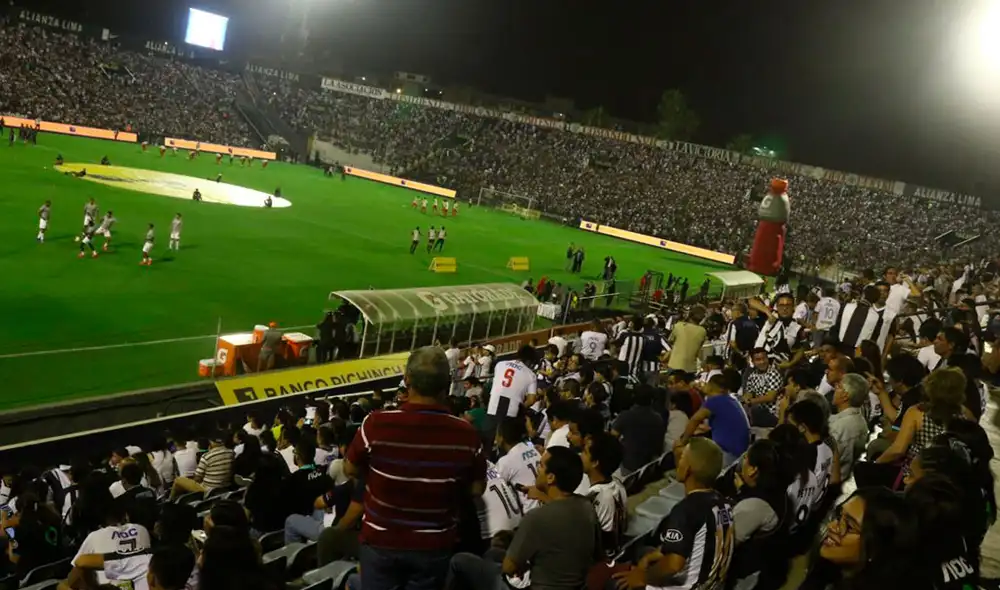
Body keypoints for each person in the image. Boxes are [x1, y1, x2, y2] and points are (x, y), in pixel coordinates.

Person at [345, 346, 486, 590]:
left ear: (407, 379)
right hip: (434, 546)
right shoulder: (467, 434)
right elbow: (476, 488)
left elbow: (350, 469)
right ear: (447, 383)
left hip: (381, 542)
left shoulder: (376, 423)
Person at [445, 447, 600, 590]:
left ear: (551, 478)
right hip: (575, 585)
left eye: (540, 466)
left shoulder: (537, 517)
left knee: (459, 561)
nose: (537, 470)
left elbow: (509, 567)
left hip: (534, 586)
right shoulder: (587, 507)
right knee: (492, 554)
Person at [612, 438, 734, 590]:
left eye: (682, 457)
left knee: (615, 583)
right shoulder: (724, 504)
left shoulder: (686, 509)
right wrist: (657, 554)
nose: (678, 461)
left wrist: (643, 577)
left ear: (688, 468)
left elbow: (673, 565)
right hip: (714, 585)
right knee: (644, 553)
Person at [875, 367, 970, 485]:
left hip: (915, 475)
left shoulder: (917, 412)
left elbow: (897, 450)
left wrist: (875, 464)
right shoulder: (965, 414)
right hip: (948, 478)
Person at [677, 371, 750, 467]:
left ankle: (681, 478)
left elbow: (695, 420)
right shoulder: (732, 400)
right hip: (740, 456)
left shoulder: (714, 401)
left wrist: (683, 440)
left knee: (680, 449)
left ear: (711, 386)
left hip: (726, 456)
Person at [582, 432, 627, 561]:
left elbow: (603, 540)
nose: (580, 456)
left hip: (601, 561)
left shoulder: (597, 497)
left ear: (595, 462)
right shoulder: (618, 484)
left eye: (585, 453)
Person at [283, 437, 335, 544]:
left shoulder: (292, 480)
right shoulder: (323, 472)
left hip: (314, 524)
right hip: (326, 520)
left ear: (297, 456)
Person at [485, 345, 537, 441]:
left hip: (493, 404)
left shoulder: (500, 364)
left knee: (490, 439)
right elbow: (531, 399)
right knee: (506, 440)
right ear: (530, 361)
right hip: (512, 409)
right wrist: (522, 408)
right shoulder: (531, 374)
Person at [610, 385, 665, 475]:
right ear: (652, 400)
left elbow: (612, 437)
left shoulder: (625, 416)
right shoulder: (658, 418)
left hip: (628, 463)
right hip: (650, 464)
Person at [828, 373, 871, 481]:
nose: (835, 388)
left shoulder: (837, 427)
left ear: (845, 395)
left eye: (838, 386)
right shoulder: (862, 421)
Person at [170, 430, 234, 499]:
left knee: (178, 480)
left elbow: (197, 478)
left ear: (211, 442)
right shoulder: (231, 452)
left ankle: (169, 502)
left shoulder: (207, 456)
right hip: (224, 487)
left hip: (207, 490)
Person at [494, 418, 541, 512]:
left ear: (502, 437)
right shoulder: (533, 449)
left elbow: (494, 489)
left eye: (497, 434)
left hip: (530, 513)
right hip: (544, 504)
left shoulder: (505, 461)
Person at [742, 348, 784, 427]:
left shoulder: (773, 373)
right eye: (758, 360)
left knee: (753, 413)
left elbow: (770, 397)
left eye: (764, 358)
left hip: (774, 413)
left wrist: (751, 401)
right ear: (753, 362)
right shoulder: (752, 376)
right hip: (761, 411)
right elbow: (749, 392)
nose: (762, 362)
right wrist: (746, 399)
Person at [667, 304, 707, 373]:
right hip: (690, 368)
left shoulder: (678, 326)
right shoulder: (702, 331)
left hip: (674, 365)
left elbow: (670, 341)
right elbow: (699, 349)